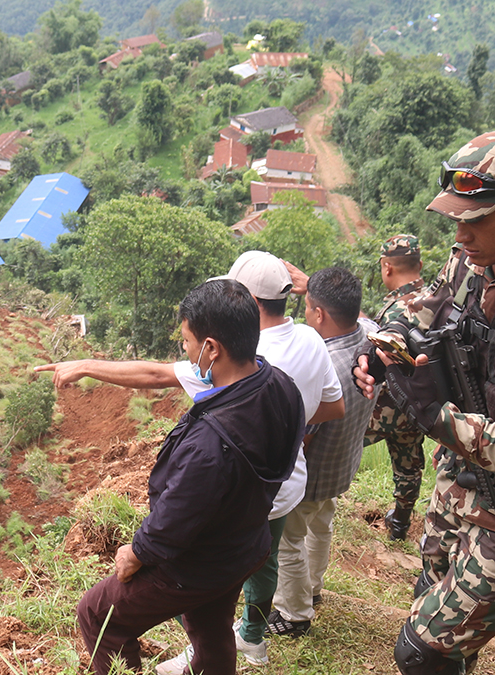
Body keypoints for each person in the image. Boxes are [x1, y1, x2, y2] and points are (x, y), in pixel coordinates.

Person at [37, 252, 342, 671]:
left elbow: (174, 520)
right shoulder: (281, 385)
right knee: (212, 626)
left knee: (98, 614)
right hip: (246, 545)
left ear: (212, 348)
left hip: (199, 561)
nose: (185, 348)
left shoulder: (209, 443)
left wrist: (135, 552)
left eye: (187, 341)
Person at [354, 130, 495, 674]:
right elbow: (429, 305)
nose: (460, 233)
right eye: (456, 218)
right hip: (460, 481)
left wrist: (438, 418)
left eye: (476, 219)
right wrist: (379, 348)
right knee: (430, 589)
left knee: (422, 651)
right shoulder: (470, 262)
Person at [266, 267, 377, 638]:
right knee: (321, 527)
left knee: (289, 542)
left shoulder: (324, 362)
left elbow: (305, 435)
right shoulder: (367, 343)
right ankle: (313, 589)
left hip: (311, 472)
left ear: (319, 315)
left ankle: (293, 613)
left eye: (308, 306)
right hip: (341, 464)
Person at [364, 235, 427, 540]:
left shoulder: (395, 311)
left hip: (384, 406)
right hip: (418, 404)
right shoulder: (436, 299)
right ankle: (400, 522)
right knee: (408, 461)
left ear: (386, 268)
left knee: (339, 439)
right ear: (421, 264)